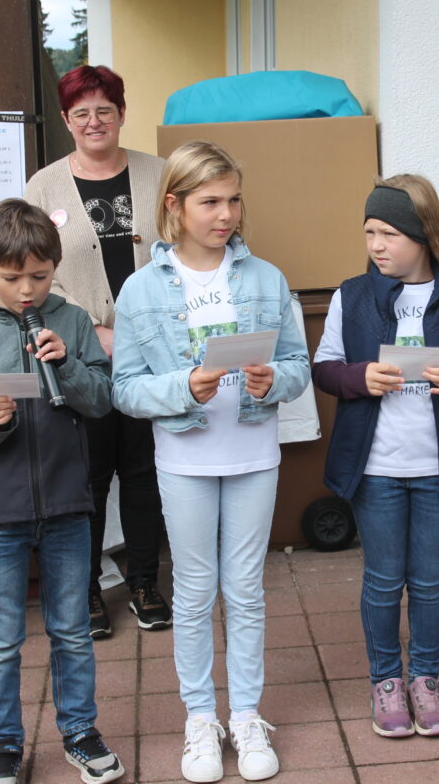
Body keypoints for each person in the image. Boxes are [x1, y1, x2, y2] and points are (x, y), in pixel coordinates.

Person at [111, 141, 309, 783]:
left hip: (254, 454)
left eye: (233, 200)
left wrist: (268, 382)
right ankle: (201, 719)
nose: (226, 214)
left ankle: (247, 716)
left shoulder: (265, 278)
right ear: (175, 204)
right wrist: (181, 389)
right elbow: (124, 388)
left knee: (245, 589)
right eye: (210, 201)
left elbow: (298, 367)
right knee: (194, 592)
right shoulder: (141, 289)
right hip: (184, 458)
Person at [0, 199, 125, 784]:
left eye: (39, 276)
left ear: (55, 267)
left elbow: (100, 399)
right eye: (12, 278)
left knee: (71, 629)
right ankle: (3, 745)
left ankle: (80, 732)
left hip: (68, 503)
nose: (27, 289)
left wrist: (67, 364)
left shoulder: (68, 321)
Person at [311, 175, 439, 737]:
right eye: (369, 231)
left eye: (389, 232)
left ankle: (426, 678)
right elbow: (325, 367)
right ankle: (386, 682)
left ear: (423, 235)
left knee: (432, 579)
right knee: (384, 579)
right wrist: (359, 377)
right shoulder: (352, 295)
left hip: (438, 469)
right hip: (377, 468)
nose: (376, 245)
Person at [23, 65, 170, 639]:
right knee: (87, 476)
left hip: (152, 352)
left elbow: (179, 254)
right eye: (80, 112)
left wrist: (135, 333)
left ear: (121, 112)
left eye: (103, 109)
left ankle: (143, 581)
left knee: (142, 472)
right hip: (78, 354)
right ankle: (83, 588)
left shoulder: (159, 175)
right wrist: (93, 333)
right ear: (65, 121)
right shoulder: (42, 187)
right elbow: (36, 273)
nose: (93, 121)